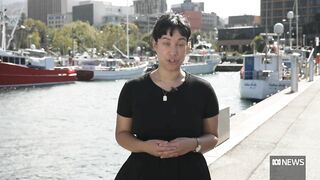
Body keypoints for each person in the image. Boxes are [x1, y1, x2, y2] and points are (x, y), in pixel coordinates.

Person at [115, 13, 219, 180]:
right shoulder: (133, 89)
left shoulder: (203, 90)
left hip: (191, 173)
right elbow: (121, 134)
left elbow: (213, 137)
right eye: (166, 43)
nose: (173, 51)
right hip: (140, 173)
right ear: (154, 44)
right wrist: (144, 146)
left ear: (188, 46)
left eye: (180, 44)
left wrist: (192, 144)